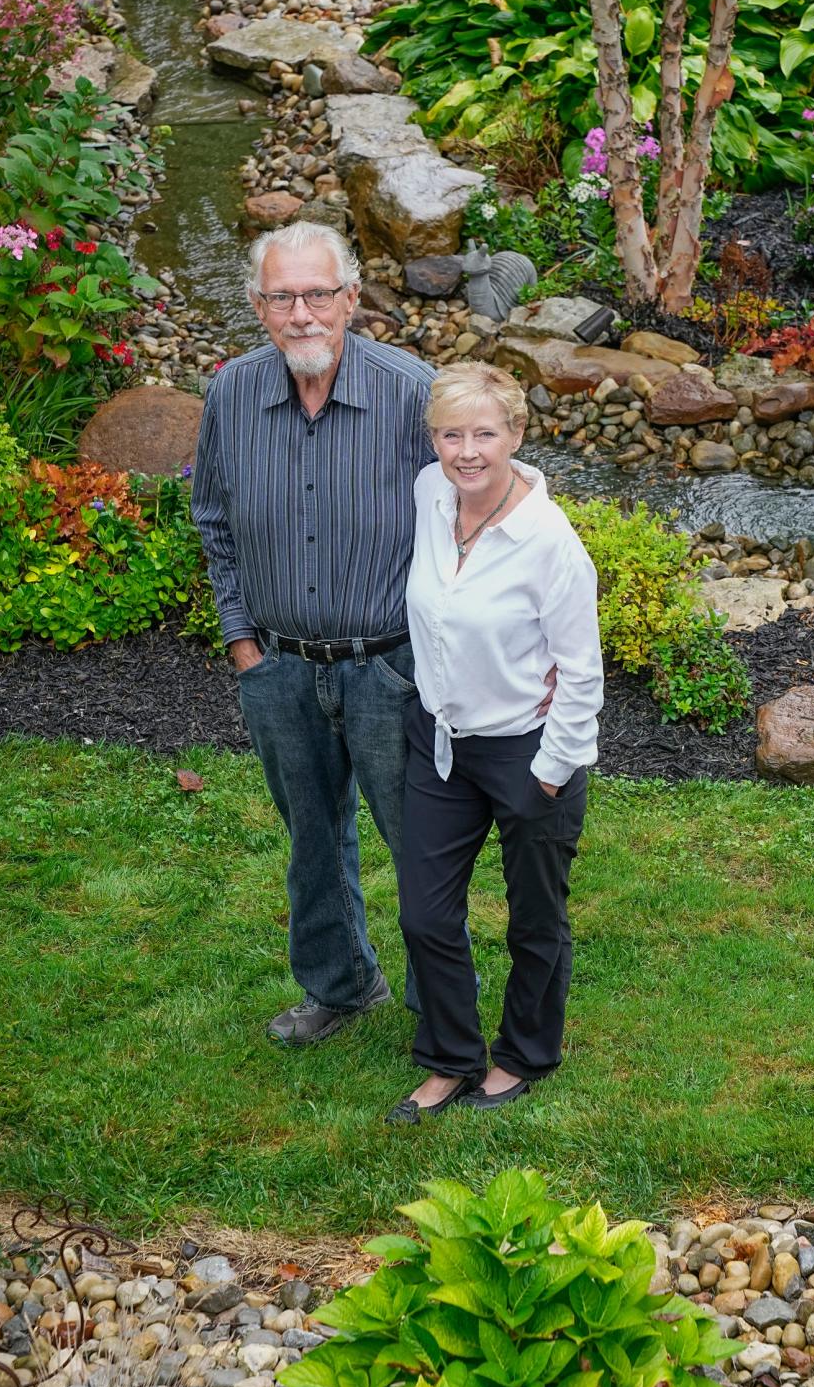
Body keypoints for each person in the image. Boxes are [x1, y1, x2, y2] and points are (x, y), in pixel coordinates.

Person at [191, 220, 435, 1047]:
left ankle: (442, 1007)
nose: (302, 312)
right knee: (312, 843)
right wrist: (243, 645)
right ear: (259, 306)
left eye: (318, 293)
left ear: (352, 299)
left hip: (389, 668)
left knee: (419, 841)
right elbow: (214, 521)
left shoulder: (411, 393)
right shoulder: (230, 392)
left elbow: (462, 526)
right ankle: (341, 985)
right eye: (282, 295)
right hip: (281, 667)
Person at [387, 362, 604, 1123]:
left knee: (534, 916)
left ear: (517, 433)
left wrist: (548, 773)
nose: (467, 450)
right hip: (441, 743)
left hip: (526, 751)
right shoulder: (428, 493)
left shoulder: (549, 543)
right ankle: (449, 1057)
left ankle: (522, 1055)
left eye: (485, 433)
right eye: (451, 433)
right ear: (434, 438)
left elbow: (581, 674)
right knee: (424, 912)